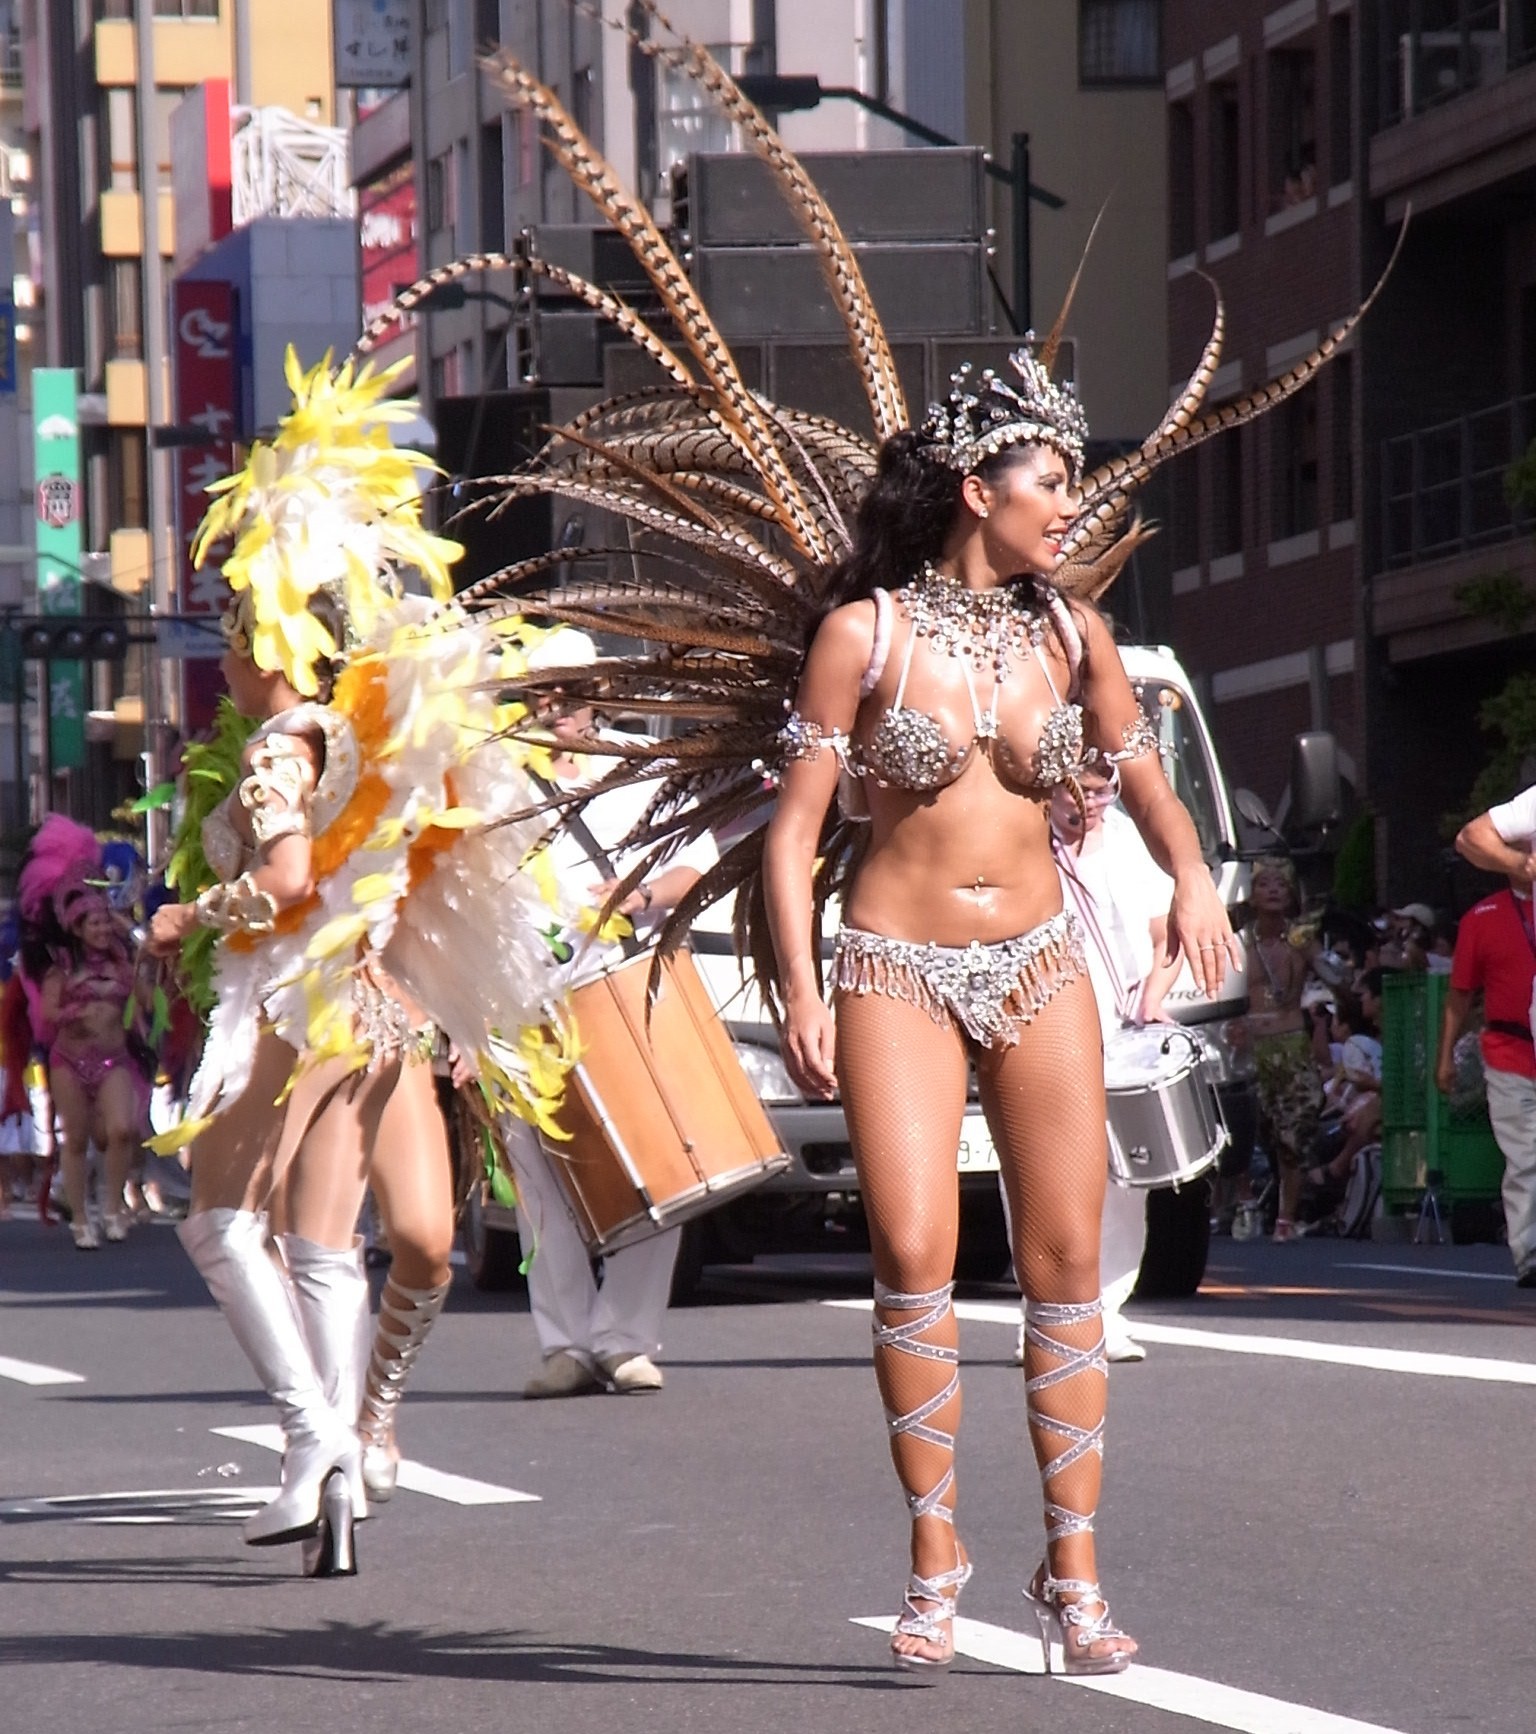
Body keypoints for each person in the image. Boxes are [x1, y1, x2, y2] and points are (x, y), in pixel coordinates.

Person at [763, 354, 1238, 1676]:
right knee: (915, 1250)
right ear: (980, 488)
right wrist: (800, 985)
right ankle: (935, 1560)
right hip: (895, 965)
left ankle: (1072, 1576)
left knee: (1066, 1262)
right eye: (1051, 481)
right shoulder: (863, 633)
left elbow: (1146, 782)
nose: (1071, 506)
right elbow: (793, 830)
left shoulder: (1074, 633)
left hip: (1039, 964)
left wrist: (1194, 870)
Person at [145, 355, 571, 1574]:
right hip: (368, 1006)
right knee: (327, 1243)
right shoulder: (359, 733)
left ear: (258, 637)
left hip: (296, 995)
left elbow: (283, 888)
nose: (219, 663)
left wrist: (192, 918)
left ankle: (318, 1433)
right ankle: (326, 1459)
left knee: (223, 1227)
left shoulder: (282, 743)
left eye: (227, 637)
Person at [503, 629, 717, 1399]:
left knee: (657, 1162)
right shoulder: (490, 779)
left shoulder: (642, 765)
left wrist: (643, 896)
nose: (553, 703)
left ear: (598, 689)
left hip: (628, 988)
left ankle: (625, 1338)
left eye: (568, 687)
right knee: (539, 1177)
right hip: (521, 998)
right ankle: (564, 1344)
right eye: (539, 689)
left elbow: (696, 858)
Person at [1013, 761, 1182, 1365]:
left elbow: (1169, 938)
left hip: (1121, 1031)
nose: (1090, 803)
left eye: (1101, 791)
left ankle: (1106, 1312)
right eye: (1076, 790)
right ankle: (1045, 1310)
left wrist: (1155, 998)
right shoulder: (1022, 844)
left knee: (1124, 1179)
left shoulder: (1132, 847)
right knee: (1037, 1176)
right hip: (1039, 1025)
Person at [13, 817, 150, 1248]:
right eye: (94, 925)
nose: (102, 930)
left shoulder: (123, 964)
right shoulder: (60, 969)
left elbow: (146, 1002)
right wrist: (77, 1011)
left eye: (105, 924)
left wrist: (141, 951)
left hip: (114, 1060)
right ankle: (80, 1222)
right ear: (77, 927)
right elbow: (48, 1015)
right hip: (69, 1061)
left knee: (121, 1131)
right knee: (75, 1139)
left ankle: (112, 1209)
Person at [1232, 857, 1323, 1243]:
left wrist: (1322, 961)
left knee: (1294, 1129)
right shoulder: (1237, 940)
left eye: (1280, 884)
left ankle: (1286, 1216)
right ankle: (1245, 1200)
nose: (1272, 890)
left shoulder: (1302, 939)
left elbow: (1336, 978)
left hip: (1290, 1041)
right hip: (1249, 1044)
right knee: (1246, 1127)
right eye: (1264, 884)